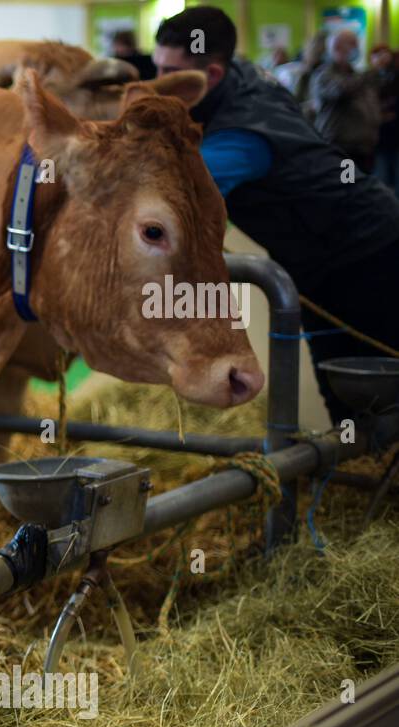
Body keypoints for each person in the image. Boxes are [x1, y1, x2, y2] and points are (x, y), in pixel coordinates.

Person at [153, 7, 399, 424]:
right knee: (344, 386)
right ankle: (361, 470)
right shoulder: (242, 77)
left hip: (366, 253)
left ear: (210, 76)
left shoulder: (240, 137)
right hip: (327, 252)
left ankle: (374, 474)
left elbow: (170, 196)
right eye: (156, 67)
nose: (156, 84)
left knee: (373, 384)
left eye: (171, 74)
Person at [309, 29, 381, 171]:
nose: (357, 48)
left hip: (363, 147)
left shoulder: (355, 74)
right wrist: (371, 71)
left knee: (360, 190)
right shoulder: (324, 74)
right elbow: (340, 90)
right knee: (346, 189)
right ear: (337, 47)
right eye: (353, 44)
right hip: (341, 146)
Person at [368, 44, 399, 190]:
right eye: (377, 55)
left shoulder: (395, 76)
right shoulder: (368, 78)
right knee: (381, 179)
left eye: (385, 54)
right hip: (377, 137)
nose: (382, 58)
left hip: (394, 133)